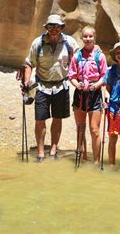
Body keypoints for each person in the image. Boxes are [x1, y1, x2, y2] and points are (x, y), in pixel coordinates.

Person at [23, 14, 78, 162]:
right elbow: (29, 63)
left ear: (61, 28)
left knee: (57, 118)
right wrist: (27, 81)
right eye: (51, 26)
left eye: (57, 26)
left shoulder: (69, 42)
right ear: (46, 27)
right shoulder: (38, 43)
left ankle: (53, 150)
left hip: (62, 85)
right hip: (42, 86)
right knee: (40, 119)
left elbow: (79, 58)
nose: (54, 29)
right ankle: (41, 153)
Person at [68, 25, 107, 165]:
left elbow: (104, 76)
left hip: (95, 94)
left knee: (94, 130)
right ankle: (82, 156)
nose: (88, 39)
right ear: (82, 38)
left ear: (94, 37)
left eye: (90, 36)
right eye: (85, 36)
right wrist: (76, 84)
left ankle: (96, 161)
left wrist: (96, 85)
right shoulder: (77, 56)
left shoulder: (100, 56)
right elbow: (71, 75)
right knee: (80, 127)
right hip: (80, 93)